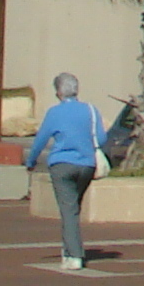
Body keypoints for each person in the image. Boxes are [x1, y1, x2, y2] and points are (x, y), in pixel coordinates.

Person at [25, 72, 104, 270]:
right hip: (87, 165)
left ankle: (74, 255)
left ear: (59, 92)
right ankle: (68, 249)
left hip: (61, 165)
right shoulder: (91, 110)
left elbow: (41, 140)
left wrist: (31, 161)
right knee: (73, 208)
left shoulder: (54, 113)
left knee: (68, 210)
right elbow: (101, 139)